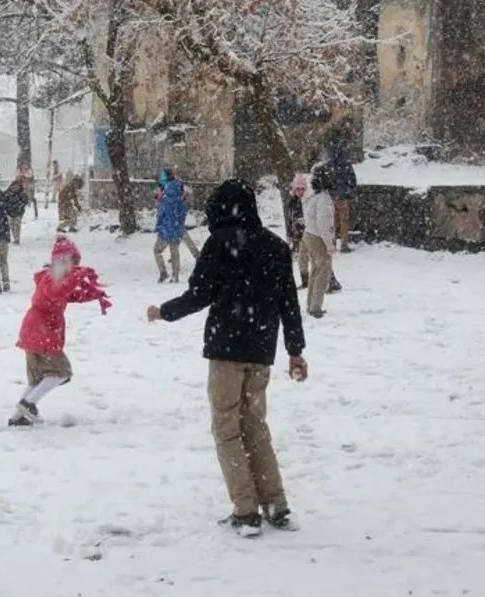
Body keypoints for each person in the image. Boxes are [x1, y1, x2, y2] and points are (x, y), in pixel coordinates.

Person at [146, 179, 307, 537]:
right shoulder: (277, 248)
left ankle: (246, 510)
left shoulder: (219, 244)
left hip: (226, 350)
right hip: (261, 351)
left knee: (226, 428)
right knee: (255, 425)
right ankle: (276, 504)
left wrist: (164, 312)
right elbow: (289, 305)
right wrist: (295, 351)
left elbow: (199, 294)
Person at [10, 241, 110, 427]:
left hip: (33, 330)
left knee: (38, 378)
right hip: (42, 330)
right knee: (61, 371)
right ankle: (28, 404)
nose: (75, 267)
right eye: (73, 262)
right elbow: (59, 290)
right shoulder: (51, 279)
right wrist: (77, 276)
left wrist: (93, 295)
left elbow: (67, 295)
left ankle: (18, 417)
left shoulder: (51, 278)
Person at [300, 166, 337, 319]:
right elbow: (324, 224)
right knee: (323, 272)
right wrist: (329, 244)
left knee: (315, 271)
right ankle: (316, 307)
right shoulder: (324, 200)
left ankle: (311, 304)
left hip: (309, 234)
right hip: (318, 238)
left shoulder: (313, 197)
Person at [153, 168, 199, 283]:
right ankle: (175, 276)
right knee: (175, 251)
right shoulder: (181, 198)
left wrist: (158, 226)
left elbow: (160, 215)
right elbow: (185, 209)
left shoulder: (165, 199)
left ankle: (163, 272)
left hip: (166, 230)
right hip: (178, 228)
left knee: (157, 250)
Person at [328, 128, 358, 253]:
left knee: (332, 220)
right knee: (343, 220)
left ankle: (332, 242)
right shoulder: (346, 162)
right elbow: (352, 179)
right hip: (343, 195)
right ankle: (344, 244)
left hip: (331, 196)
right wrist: (348, 189)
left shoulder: (329, 164)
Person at [4, 181, 27, 245]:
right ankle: (15, 237)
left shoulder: (21, 194)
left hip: (18, 212)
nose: (16, 188)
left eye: (18, 186)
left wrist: (21, 205)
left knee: (17, 225)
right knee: (12, 225)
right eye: (15, 186)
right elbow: (4, 200)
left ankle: (17, 238)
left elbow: (25, 201)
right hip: (10, 212)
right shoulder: (8, 193)